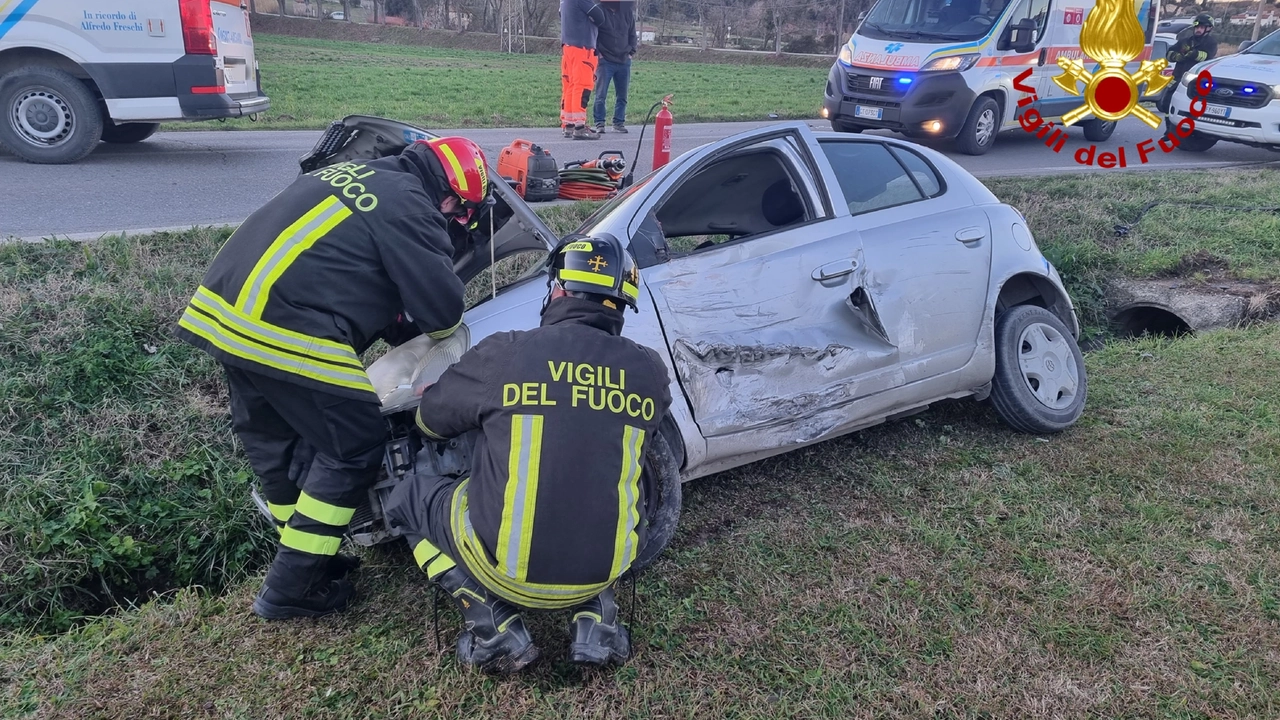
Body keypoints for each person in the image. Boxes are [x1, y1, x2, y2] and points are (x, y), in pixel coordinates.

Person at [176, 137, 493, 620]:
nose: (454, 219)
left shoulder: (354, 173)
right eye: (459, 211)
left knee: (277, 443)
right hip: (288, 327)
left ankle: (309, 562)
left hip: (225, 316)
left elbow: (344, 267)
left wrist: (392, 320)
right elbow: (443, 312)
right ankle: (290, 590)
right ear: (449, 195)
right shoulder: (413, 205)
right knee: (357, 442)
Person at [384, 236, 673, 675]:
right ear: (622, 304)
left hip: (504, 573)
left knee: (405, 497)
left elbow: (429, 422)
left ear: (557, 289)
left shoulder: (507, 351)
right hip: (608, 567)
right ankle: (599, 623)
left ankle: (492, 626)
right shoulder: (650, 370)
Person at [561, 0, 607, 140]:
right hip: (583, 48)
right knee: (582, 87)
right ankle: (579, 127)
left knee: (570, 86)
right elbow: (600, 17)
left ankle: (568, 124)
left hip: (568, 48)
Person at [593, 1, 637, 135]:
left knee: (622, 95)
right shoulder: (599, 10)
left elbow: (632, 33)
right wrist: (598, 54)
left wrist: (631, 52)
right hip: (605, 60)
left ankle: (618, 122)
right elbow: (593, 33)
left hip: (624, 60)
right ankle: (599, 123)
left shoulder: (627, 12)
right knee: (601, 94)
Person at [1160, 14, 1218, 113]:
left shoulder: (1211, 43)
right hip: (1178, 76)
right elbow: (1169, 53)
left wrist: (1191, 53)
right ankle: (1169, 126)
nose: (1198, 30)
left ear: (1208, 28)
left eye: (1201, 27)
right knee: (1166, 103)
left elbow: (1206, 56)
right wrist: (1177, 56)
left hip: (1196, 80)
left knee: (1190, 106)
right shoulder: (1185, 41)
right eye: (1197, 27)